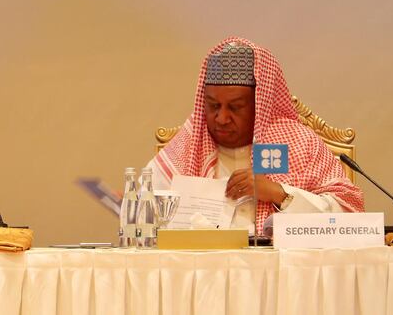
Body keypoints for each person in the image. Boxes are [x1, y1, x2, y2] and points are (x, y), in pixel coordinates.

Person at [149, 37, 364, 234]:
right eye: (214, 105)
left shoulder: (299, 143)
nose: (222, 118)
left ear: (260, 104)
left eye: (235, 107)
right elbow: (145, 209)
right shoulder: (189, 143)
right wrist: (135, 204)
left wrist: (280, 194)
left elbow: (347, 213)